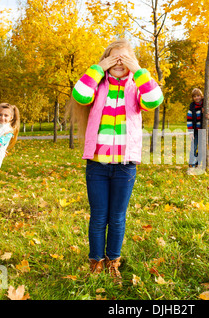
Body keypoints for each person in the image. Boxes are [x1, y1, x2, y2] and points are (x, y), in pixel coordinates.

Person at [69, 38, 163, 281]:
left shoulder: (137, 87)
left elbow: (154, 99)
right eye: (114, 58)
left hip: (125, 165)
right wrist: (98, 67)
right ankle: (95, 262)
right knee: (99, 215)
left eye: (124, 59)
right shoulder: (97, 86)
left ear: (132, 62)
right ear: (106, 61)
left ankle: (113, 262)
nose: (119, 62)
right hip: (97, 165)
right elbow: (80, 94)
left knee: (117, 217)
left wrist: (139, 70)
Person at [186, 88, 204, 168]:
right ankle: (192, 163)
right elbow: (189, 120)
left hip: (203, 131)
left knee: (201, 148)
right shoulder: (192, 107)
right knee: (193, 147)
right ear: (193, 98)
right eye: (195, 96)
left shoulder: (205, 104)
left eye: (198, 95)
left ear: (201, 96)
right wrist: (190, 132)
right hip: (195, 131)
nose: (197, 98)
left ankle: (198, 163)